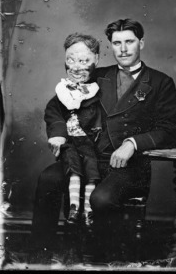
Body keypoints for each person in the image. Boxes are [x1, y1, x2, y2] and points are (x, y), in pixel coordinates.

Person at [31, 19, 176, 249]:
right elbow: (57, 107)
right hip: (88, 158)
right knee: (48, 178)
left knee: (100, 199)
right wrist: (58, 133)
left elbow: (171, 130)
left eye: (129, 42)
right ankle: (39, 254)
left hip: (130, 167)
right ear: (110, 46)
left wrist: (133, 143)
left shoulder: (161, 82)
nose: (123, 49)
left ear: (141, 42)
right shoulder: (95, 76)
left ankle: (103, 257)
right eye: (116, 43)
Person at [44, 33, 102, 226]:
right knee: (54, 176)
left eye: (84, 60)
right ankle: (73, 210)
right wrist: (58, 136)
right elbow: (54, 114)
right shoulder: (63, 91)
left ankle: (88, 211)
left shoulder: (101, 89)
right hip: (71, 148)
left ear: (96, 60)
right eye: (71, 60)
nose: (76, 67)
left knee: (93, 172)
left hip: (98, 151)